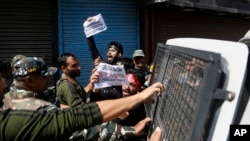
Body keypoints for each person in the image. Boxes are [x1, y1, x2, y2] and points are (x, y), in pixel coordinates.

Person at [0, 69, 163, 140]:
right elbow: (77, 119)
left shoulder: (14, 102)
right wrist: (137, 100)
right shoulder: (17, 113)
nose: (3, 80)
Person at [85, 16, 124, 101]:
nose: (109, 52)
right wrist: (89, 29)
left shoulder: (124, 66)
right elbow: (93, 49)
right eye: (108, 50)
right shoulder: (102, 64)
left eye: (113, 50)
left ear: (119, 54)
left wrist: (102, 64)